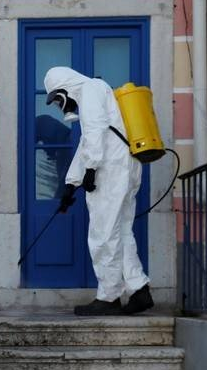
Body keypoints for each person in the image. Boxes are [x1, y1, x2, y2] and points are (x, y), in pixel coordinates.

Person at [43, 66, 154, 316]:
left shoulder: (91, 89)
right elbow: (87, 143)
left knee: (103, 234)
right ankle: (138, 289)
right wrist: (71, 184)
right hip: (124, 166)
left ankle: (109, 297)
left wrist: (91, 169)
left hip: (110, 169)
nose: (60, 106)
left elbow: (94, 133)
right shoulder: (97, 91)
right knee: (122, 231)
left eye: (58, 99)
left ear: (65, 90)